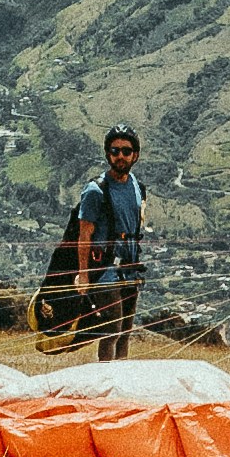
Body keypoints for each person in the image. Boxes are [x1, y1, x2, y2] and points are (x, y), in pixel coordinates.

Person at [64, 127, 145, 362]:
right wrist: (84, 274)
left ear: (135, 155)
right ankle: (106, 383)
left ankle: (119, 385)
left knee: (125, 332)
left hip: (130, 268)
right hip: (105, 271)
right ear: (107, 154)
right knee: (111, 331)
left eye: (126, 151)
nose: (121, 156)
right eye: (115, 150)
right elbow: (84, 235)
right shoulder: (95, 190)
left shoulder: (137, 187)